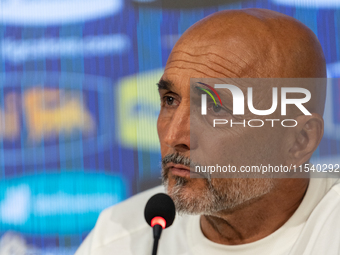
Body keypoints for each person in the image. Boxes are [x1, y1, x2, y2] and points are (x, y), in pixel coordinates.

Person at [75, 8, 340, 255]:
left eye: (215, 109)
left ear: (299, 141)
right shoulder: (119, 239)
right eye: (170, 100)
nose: (174, 137)